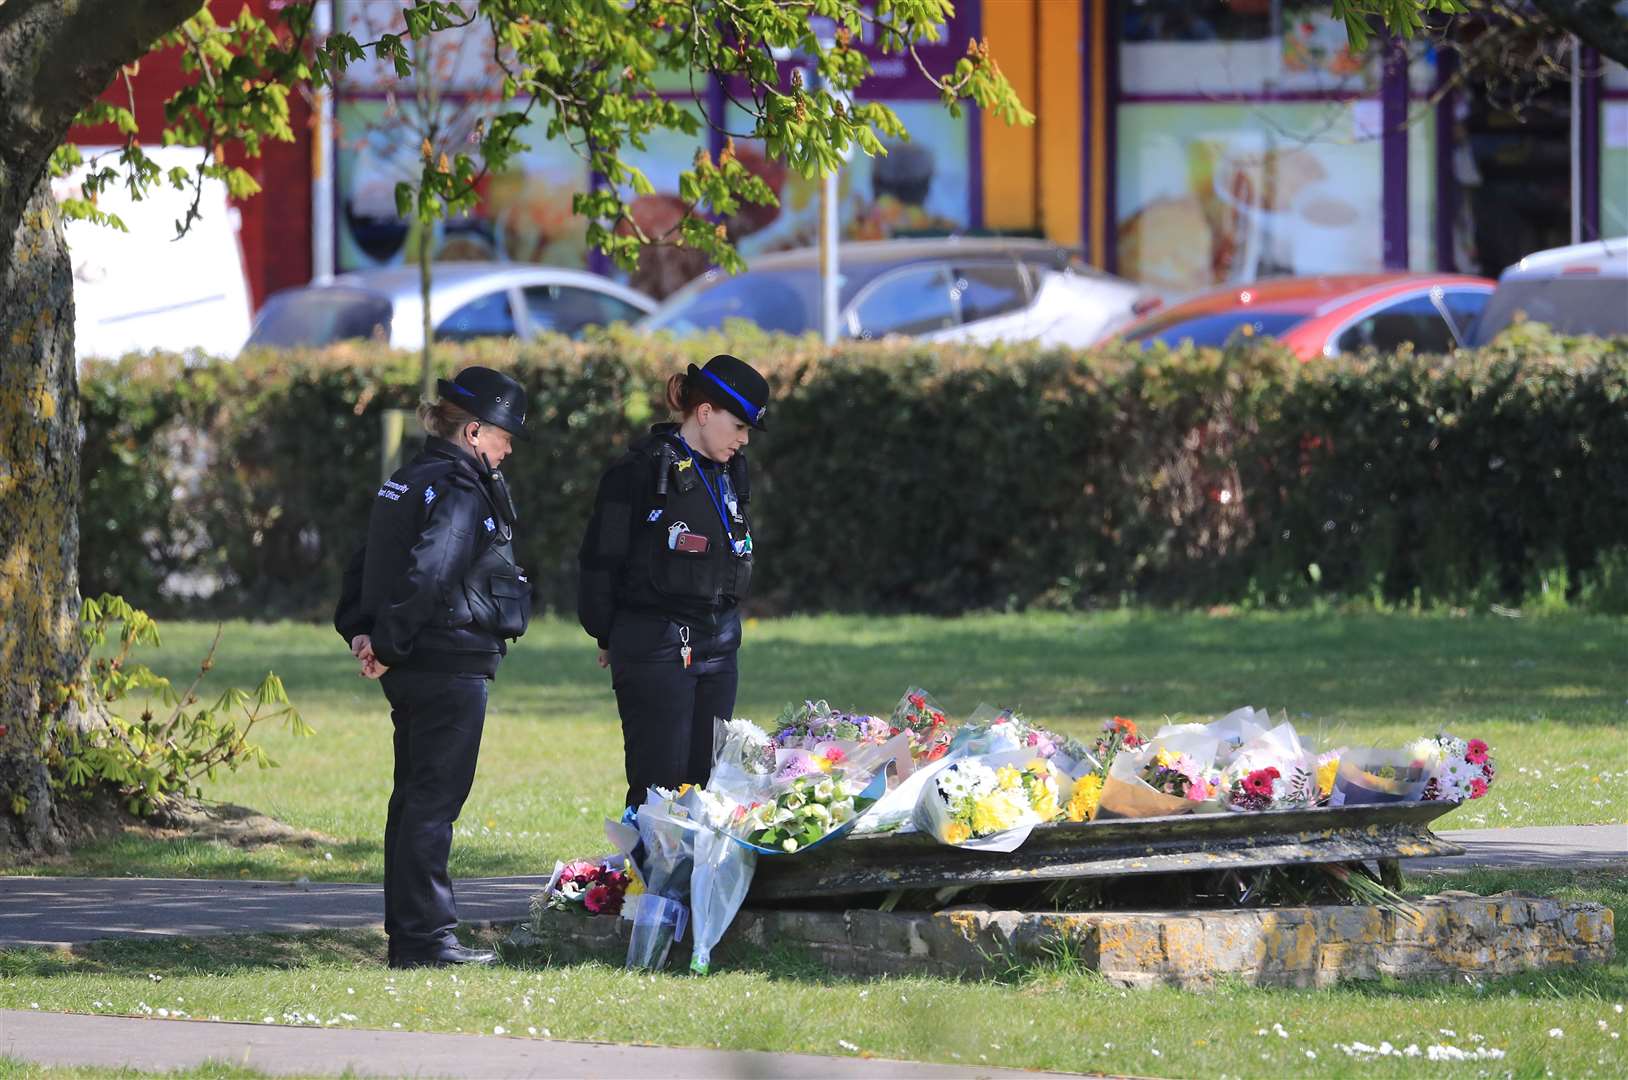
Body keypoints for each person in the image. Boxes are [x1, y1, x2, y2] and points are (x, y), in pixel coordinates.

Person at [335, 366, 533, 969]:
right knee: (432, 803)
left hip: (417, 660)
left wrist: (364, 631)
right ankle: (427, 942)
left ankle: (412, 936)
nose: (506, 450)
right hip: (448, 660)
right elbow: (432, 569)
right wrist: (387, 642)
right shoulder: (460, 488)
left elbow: (368, 561)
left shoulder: (408, 478)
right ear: (474, 431)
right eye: (503, 437)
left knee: (413, 800)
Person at [577, 353, 768, 810]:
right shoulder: (640, 471)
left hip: (719, 643)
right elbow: (601, 559)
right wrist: (607, 631)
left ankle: (697, 883)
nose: (744, 440)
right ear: (704, 412)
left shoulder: (729, 472)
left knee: (708, 786)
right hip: (657, 643)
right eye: (738, 426)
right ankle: (649, 883)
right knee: (659, 786)